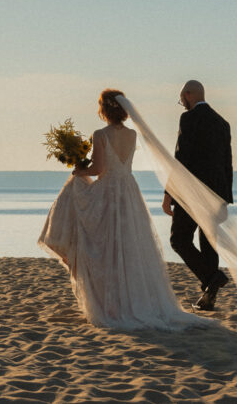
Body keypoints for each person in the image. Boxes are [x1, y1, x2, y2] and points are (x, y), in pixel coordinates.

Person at [39, 89, 209, 330]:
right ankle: (124, 301)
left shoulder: (100, 134)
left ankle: (109, 305)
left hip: (108, 193)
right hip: (128, 193)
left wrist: (79, 170)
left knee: (104, 248)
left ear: (105, 110)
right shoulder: (131, 135)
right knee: (127, 248)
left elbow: (98, 169)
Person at [164, 80, 233, 311]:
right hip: (216, 195)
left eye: (181, 98)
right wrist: (225, 200)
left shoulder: (189, 118)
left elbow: (180, 160)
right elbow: (227, 165)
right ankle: (208, 298)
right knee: (208, 243)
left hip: (191, 193)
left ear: (188, 94)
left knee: (179, 240)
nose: (181, 103)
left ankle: (211, 277)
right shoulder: (223, 123)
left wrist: (169, 194)